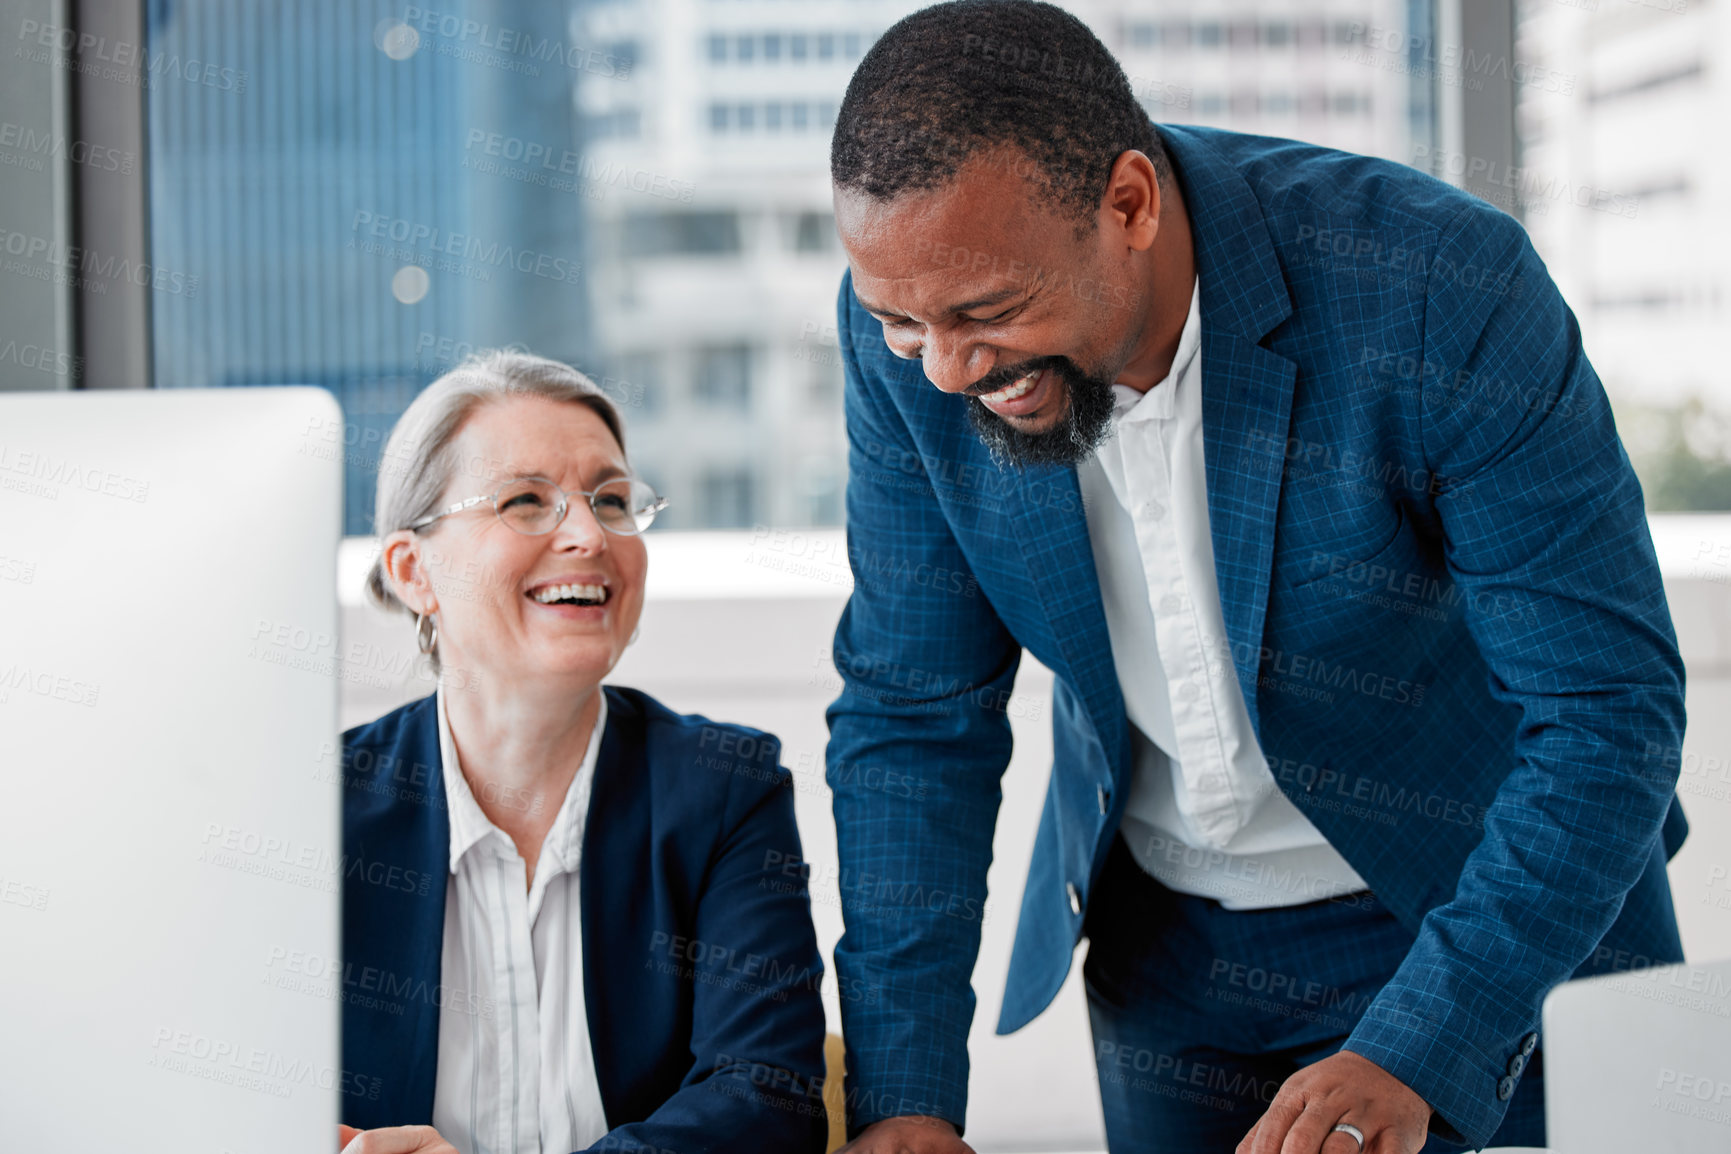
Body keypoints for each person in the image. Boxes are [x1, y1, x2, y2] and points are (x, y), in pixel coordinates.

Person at [822, 4, 1688, 1154]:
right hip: (1167, 954)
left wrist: (1424, 1039)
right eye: (898, 321)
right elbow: (914, 711)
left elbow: (1604, 711)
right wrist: (905, 1091)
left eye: (985, 314)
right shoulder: (925, 328)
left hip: (1476, 914)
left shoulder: (1437, 281)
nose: (942, 368)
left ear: (1128, 204)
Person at [333, 351, 830, 1154]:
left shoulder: (723, 792)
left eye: (610, 499)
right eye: (526, 501)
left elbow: (765, 1106)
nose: (588, 535)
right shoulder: (315, 809)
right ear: (413, 569)